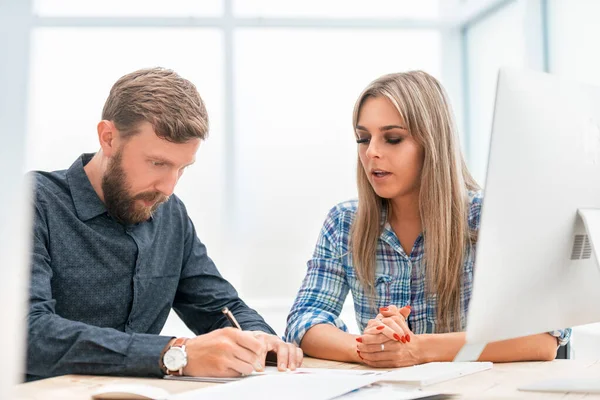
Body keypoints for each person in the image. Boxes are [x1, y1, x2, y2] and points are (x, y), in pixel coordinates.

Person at [27, 67, 302, 381]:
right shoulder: (31, 203)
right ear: (108, 138)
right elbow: (27, 334)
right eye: (157, 163)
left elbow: (218, 306)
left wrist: (258, 339)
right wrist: (174, 353)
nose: (168, 188)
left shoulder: (170, 214)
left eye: (181, 168)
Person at [284, 71, 570, 368]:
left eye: (392, 139)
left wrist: (419, 349)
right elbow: (305, 319)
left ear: (432, 143)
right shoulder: (344, 222)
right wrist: (372, 348)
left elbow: (543, 337)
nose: (372, 153)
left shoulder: (491, 218)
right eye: (363, 139)